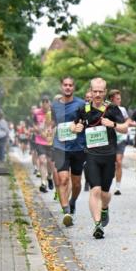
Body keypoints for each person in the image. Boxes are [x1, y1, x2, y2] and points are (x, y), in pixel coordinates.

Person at [73, 78, 129, 239]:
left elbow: (125, 128)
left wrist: (112, 124)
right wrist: (76, 128)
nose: (97, 94)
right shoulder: (84, 109)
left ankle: (105, 208)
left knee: (105, 193)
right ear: (90, 91)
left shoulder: (112, 109)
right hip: (91, 155)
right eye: (94, 91)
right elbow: (73, 125)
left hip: (109, 155)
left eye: (100, 91)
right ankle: (97, 225)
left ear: (105, 92)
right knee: (95, 190)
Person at [50, 76, 87, 227]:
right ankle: (66, 212)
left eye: (70, 85)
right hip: (60, 146)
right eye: (65, 85)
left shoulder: (81, 104)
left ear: (74, 88)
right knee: (63, 179)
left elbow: (86, 121)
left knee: (76, 184)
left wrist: (80, 126)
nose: (67, 87)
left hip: (77, 147)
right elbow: (54, 123)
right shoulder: (55, 105)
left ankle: (72, 201)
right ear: (61, 87)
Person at [108, 90, 131, 196]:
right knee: (111, 163)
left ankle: (117, 187)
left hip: (121, 139)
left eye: (120, 98)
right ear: (112, 99)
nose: (119, 101)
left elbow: (128, 120)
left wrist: (126, 124)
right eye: (117, 99)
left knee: (119, 161)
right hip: (110, 140)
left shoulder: (122, 109)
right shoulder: (107, 109)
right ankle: (109, 179)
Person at [33, 96, 55, 192]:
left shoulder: (53, 113)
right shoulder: (37, 113)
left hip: (50, 141)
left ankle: (49, 177)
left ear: (49, 103)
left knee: (50, 162)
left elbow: (55, 124)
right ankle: (43, 182)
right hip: (39, 140)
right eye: (43, 102)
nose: (45, 104)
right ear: (41, 104)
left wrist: (49, 130)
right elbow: (34, 124)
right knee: (42, 161)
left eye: (47, 102)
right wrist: (38, 129)